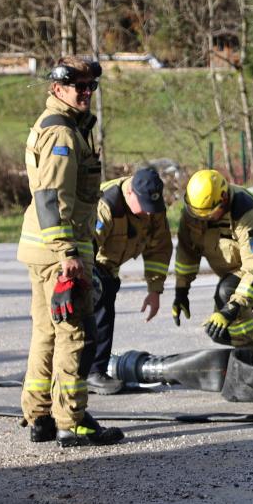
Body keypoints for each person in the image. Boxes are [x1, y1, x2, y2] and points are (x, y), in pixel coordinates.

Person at [16, 56, 124, 447]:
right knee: (75, 335)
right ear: (56, 88)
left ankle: (39, 416)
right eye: (77, 86)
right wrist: (67, 255)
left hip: (41, 249)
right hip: (58, 254)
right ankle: (71, 420)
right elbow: (50, 197)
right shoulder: (62, 134)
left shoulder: (63, 126)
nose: (85, 93)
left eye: (90, 86)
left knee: (46, 333)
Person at [171, 169, 253, 365]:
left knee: (229, 296)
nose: (201, 220)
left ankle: (248, 359)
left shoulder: (248, 216)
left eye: (208, 216)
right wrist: (181, 291)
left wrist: (232, 308)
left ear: (224, 198)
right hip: (238, 263)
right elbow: (187, 252)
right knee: (219, 332)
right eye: (197, 215)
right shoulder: (195, 211)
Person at [85, 166, 173, 395]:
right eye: (143, 207)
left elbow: (159, 249)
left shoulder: (153, 208)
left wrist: (155, 290)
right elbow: (85, 246)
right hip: (86, 260)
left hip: (109, 266)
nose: (148, 214)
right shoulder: (106, 205)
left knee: (105, 308)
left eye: (151, 208)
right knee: (95, 308)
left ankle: (91, 371)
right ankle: (87, 373)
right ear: (130, 193)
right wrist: (88, 279)